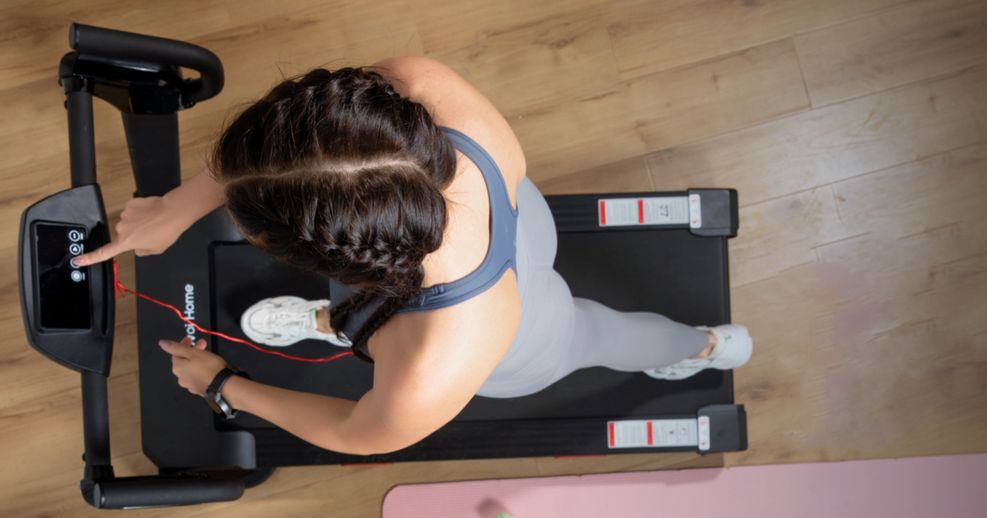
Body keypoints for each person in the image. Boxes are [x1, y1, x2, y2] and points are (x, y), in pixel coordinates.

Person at [73, 57, 752, 455]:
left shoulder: (434, 368)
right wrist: (179, 206)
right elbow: (308, 156)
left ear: (323, 255)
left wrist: (224, 385)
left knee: (601, 332)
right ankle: (332, 322)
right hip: (514, 218)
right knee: (362, 322)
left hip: (521, 336)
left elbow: (354, 429)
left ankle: (703, 346)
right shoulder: (420, 85)